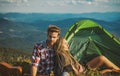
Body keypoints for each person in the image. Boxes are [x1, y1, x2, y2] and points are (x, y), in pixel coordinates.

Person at [53, 37, 120, 76]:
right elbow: (59, 71)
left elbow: (75, 63)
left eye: (67, 43)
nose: (68, 45)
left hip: (84, 68)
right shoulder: (60, 55)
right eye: (65, 43)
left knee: (101, 58)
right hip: (83, 73)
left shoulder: (68, 53)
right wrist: (73, 69)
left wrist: (79, 66)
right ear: (60, 45)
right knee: (107, 71)